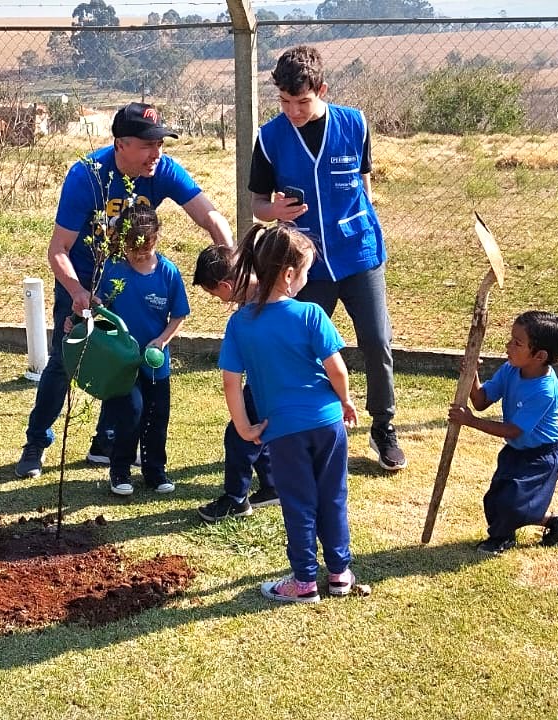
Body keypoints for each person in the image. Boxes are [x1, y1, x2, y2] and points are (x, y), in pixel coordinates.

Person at [16, 102, 234, 479]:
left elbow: (209, 215)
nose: (156, 154)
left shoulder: (162, 170)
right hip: (85, 280)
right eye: (147, 145)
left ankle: (107, 442)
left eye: (160, 144)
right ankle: (36, 442)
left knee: (128, 359)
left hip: (131, 280)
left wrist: (229, 256)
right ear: (120, 144)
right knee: (65, 363)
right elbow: (57, 250)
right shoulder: (88, 176)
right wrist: (78, 291)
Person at [248, 45, 406, 472]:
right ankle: (303, 425)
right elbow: (257, 205)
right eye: (284, 102)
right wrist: (273, 213)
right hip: (306, 264)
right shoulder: (269, 137)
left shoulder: (354, 123)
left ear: (322, 89)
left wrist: (367, 221)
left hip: (360, 254)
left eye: (302, 102)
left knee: (376, 340)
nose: (293, 111)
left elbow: (363, 181)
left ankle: (383, 427)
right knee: (303, 345)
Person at [219, 222, 359, 604]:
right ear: (289, 274)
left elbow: (232, 383)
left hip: (282, 431)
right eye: (308, 272)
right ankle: (340, 573)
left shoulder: (239, 323)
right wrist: (344, 402)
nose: (307, 280)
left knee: (299, 503)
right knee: (333, 496)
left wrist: (245, 428)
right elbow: (337, 370)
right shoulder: (311, 313)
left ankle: (303, 582)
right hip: (328, 424)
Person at [447, 311, 558, 554]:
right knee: (495, 500)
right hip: (516, 451)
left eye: (517, 343)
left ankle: (503, 538)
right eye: (511, 339)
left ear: (540, 355)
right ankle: (555, 524)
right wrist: (472, 375)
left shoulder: (545, 390)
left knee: (514, 504)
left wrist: (470, 421)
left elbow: (513, 430)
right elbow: (481, 400)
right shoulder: (511, 369)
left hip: (540, 456)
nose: (508, 346)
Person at [92, 206, 189, 496]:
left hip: (156, 364)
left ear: (156, 239)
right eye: (134, 253)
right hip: (123, 364)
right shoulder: (112, 270)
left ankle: (155, 470)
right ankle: (120, 470)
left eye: (145, 252)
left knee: (157, 416)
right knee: (131, 413)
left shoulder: (168, 272)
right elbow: (100, 311)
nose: (140, 257)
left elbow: (179, 315)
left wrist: (162, 340)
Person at [191, 244, 280, 521]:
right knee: (261, 433)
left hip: (266, 387)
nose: (219, 300)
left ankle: (236, 499)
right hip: (278, 383)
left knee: (240, 436)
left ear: (226, 286)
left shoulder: (244, 318)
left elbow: (231, 377)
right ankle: (273, 485)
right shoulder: (273, 289)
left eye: (214, 294)